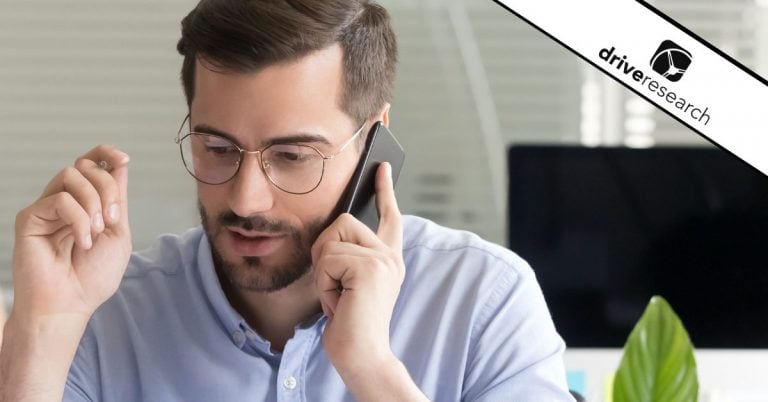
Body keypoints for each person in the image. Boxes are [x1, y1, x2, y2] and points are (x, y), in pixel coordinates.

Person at [0, 0, 574, 400]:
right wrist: (45, 325)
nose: (247, 199)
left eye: (294, 156)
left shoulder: (481, 299)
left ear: (374, 140)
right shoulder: (106, 315)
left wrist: (372, 369)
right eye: (217, 147)